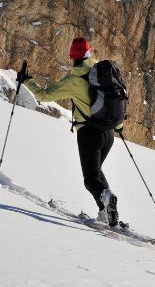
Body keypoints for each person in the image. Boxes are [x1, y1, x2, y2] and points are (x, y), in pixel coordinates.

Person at [17, 37, 120, 226]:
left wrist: (26, 81)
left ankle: (107, 198)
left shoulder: (74, 79)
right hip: (109, 134)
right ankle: (106, 211)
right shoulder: (102, 70)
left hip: (89, 134)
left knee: (90, 179)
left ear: (73, 57)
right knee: (96, 172)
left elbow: (44, 95)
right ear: (88, 54)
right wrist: (118, 127)